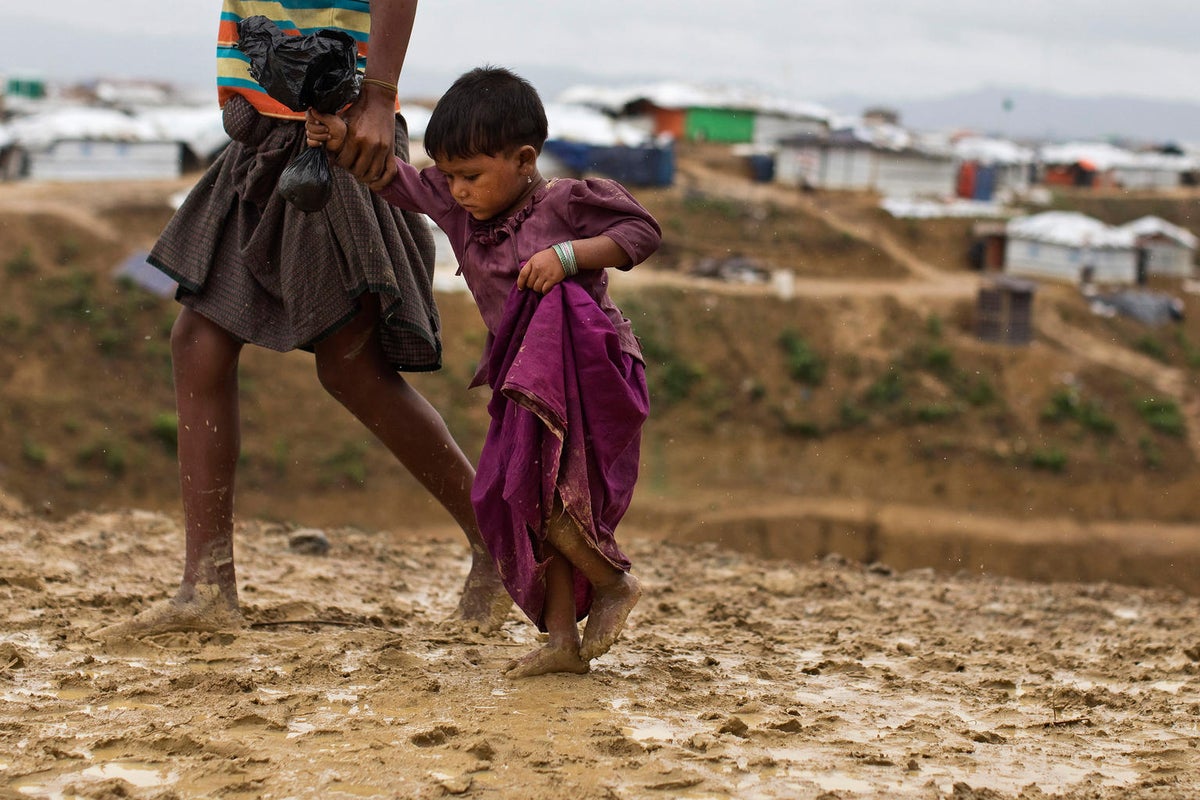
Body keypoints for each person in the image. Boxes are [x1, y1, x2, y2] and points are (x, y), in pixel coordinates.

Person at [94, 0, 510, 639]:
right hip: (263, 132)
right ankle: (207, 588)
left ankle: (499, 544)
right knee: (199, 341)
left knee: (352, 367)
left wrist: (377, 99)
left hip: (333, 133)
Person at [306, 66, 662, 678]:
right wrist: (340, 139)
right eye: (449, 176)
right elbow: (394, 177)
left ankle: (612, 585)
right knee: (520, 500)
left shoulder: (566, 204)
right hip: (525, 383)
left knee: (552, 500)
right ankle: (560, 644)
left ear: (525, 159)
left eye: (471, 175)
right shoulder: (455, 208)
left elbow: (641, 231)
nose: (458, 190)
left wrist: (567, 255)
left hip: (587, 376)